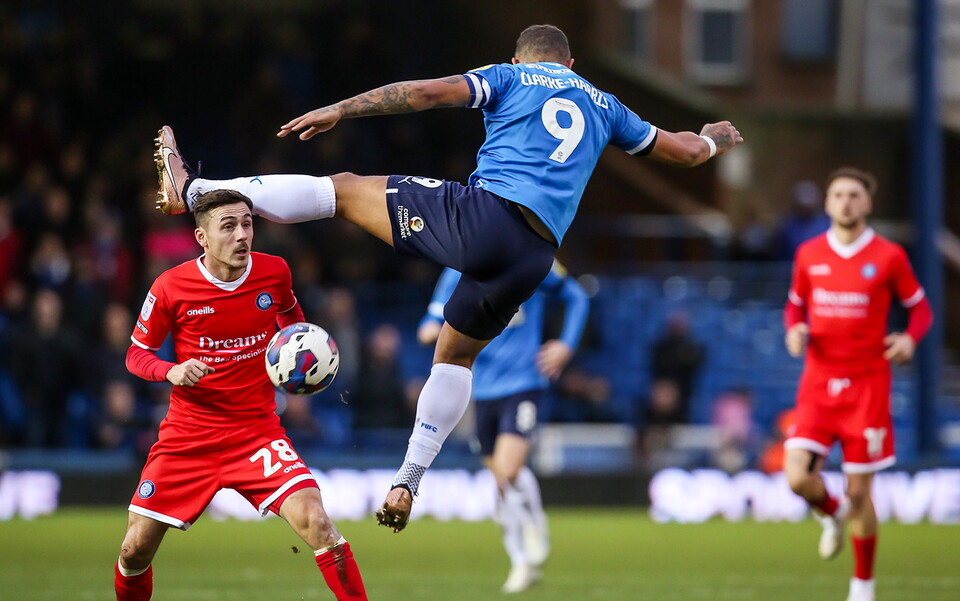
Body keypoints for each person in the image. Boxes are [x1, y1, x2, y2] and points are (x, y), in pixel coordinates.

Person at [153, 24, 743, 532]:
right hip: (532, 258)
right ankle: (408, 478)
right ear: (571, 65)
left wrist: (343, 108)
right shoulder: (605, 104)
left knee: (344, 190)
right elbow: (686, 152)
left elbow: (424, 93)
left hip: (485, 221)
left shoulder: (510, 79)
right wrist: (715, 136)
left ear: (520, 60)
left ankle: (197, 191)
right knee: (454, 358)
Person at [115, 190, 371, 601]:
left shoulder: (274, 273)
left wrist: (302, 360)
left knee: (318, 523)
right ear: (202, 236)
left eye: (247, 224)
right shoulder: (170, 286)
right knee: (135, 548)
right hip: (189, 434)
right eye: (228, 226)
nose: (241, 235)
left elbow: (292, 324)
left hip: (256, 431)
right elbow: (136, 354)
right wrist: (170, 371)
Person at [782, 167, 933, 601]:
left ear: (867, 203)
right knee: (796, 477)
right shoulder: (809, 254)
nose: (845, 202)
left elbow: (920, 310)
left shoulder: (888, 256)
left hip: (866, 389)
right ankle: (831, 514)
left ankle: (862, 585)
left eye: (853, 195)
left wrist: (908, 338)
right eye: (837, 195)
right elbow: (794, 308)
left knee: (861, 493)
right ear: (827, 204)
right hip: (817, 384)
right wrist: (795, 332)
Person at [418, 261, 588, 593]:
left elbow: (577, 296)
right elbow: (430, 323)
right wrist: (431, 331)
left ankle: (534, 524)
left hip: (524, 381)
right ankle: (520, 562)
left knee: (508, 471)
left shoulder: (530, 258)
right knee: (499, 482)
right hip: (480, 388)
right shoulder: (456, 272)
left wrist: (566, 344)